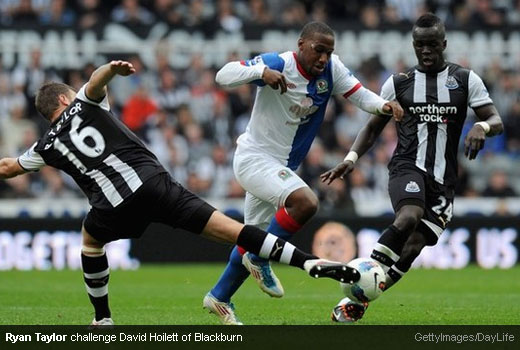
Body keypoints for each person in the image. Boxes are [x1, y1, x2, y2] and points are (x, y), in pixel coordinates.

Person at [0, 60, 361, 326]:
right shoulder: (84, 103)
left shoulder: (45, 145)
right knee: (234, 232)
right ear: (65, 98)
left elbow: (9, 168)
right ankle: (309, 261)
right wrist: (111, 69)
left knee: (91, 243)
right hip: (154, 184)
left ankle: (103, 319)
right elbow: (94, 82)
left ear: (48, 114)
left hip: (111, 205)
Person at [206, 21, 404, 325]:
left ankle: (219, 297)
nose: (323, 57)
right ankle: (261, 258)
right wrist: (260, 72)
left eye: (328, 52)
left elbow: (359, 95)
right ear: (301, 45)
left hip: (279, 166)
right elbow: (223, 75)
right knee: (306, 203)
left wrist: (384, 106)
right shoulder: (278, 62)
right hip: (254, 159)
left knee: (251, 238)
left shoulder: (332, 70)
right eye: (318, 50)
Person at [321, 13, 504, 322]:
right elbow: (372, 128)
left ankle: (361, 300)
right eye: (420, 45)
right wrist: (350, 159)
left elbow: (496, 119)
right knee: (409, 216)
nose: (426, 51)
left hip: (443, 181)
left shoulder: (464, 80)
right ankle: (366, 270)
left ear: (443, 44)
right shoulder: (399, 84)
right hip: (407, 168)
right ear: (413, 46)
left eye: (432, 44)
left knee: (413, 247)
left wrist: (482, 127)